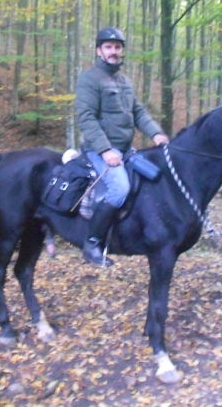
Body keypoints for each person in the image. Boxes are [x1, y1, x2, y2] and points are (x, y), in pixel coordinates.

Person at [75, 27, 169, 266]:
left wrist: (156, 133)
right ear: (99, 50)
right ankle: (92, 243)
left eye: (117, 47)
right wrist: (105, 150)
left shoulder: (124, 81)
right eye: (108, 47)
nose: (114, 51)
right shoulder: (89, 79)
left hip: (126, 151)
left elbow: (138, 112)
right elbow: (85, 117)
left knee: (154, 176)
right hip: (100, 150)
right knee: (119, 188)